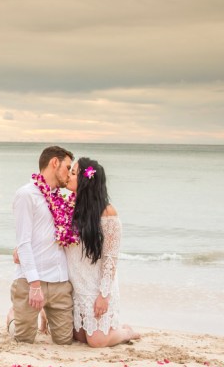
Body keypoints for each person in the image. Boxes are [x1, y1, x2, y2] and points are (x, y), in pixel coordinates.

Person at [64, 157, 140, 347]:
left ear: (84, 180)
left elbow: (110, 258)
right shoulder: (67, 208)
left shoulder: (107, 213)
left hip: (96, 287)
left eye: (73, 173)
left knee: (96, 341)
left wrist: (104, 295)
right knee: (80, 338)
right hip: (76, 286)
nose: (68, 176)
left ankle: (126, 333)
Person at [9, 146, 76, 345]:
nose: (69, 173)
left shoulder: (61, 199)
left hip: (59, 282)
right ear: (54, 163)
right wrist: (35, 285)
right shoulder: (26, 195)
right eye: (67, 167)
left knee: (65, 341)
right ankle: (11, 318)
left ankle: (44, 316)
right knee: (24, 339)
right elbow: (23, 242)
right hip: (31, 283)